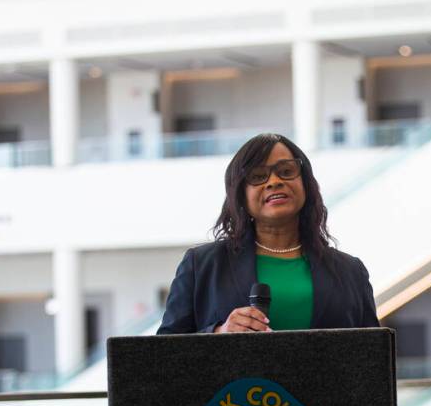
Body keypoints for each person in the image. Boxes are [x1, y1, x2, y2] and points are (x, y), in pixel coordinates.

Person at [157, 133, 379, 334]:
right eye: (258, 176)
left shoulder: (351, 272)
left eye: (286, 171)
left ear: (306, 185)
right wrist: (218, 333)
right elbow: (162, 355)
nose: (274, 182)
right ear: (241, 195)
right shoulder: (202, 265)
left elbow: (374, 359)